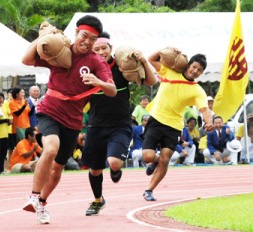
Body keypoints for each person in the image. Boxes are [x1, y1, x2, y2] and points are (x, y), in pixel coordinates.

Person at [21, 15, 116, 224]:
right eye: (85, 36)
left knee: (57, 169)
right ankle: (34, 196)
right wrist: (43, 37)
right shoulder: (58, 49)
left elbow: (112, 90)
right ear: (76, 33)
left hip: (73, 121)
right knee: (51, 148)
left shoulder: (95, 61)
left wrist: (98, 81)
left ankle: (42, 203)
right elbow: (26, 60)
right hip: (50, 111)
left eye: (93, 39)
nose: (88, 42)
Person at [82, 31, 157, 216]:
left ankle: (115, 171)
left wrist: (144, 61)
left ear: (111, 49)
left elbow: (151, 81)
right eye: (96, 49)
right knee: (95, 169)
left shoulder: (122, 67)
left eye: (104, 48)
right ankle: (98, 200)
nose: (101, 52)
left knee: (114, 163)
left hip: (120, 125)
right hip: (95, 125)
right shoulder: (87, 68)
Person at [142, 49, 213, 201]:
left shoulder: (197, 90)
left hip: (173, 126)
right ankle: (155, 161)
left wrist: (209, 122)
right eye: (194, 67)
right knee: (148, 156)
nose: (195, 71)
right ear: (188, 65)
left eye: (199, 70)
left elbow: (205, 109)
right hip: (156, 119)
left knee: (166, 158)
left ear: (201, 73)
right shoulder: (169, 72)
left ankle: (149, 190)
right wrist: (167, 49)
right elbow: (151, 58)